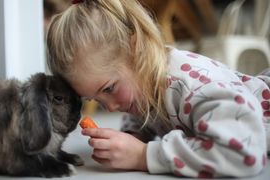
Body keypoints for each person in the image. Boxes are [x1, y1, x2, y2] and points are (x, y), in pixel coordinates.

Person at [46, 0, 270, 178]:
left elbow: (243, 152)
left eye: (109, 89)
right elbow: (145, 113)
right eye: (94, 100)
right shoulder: (144, 85)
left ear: (137, 50)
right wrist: (134, 135)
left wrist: (143, 155)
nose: (111, 108)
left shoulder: (193, 88)